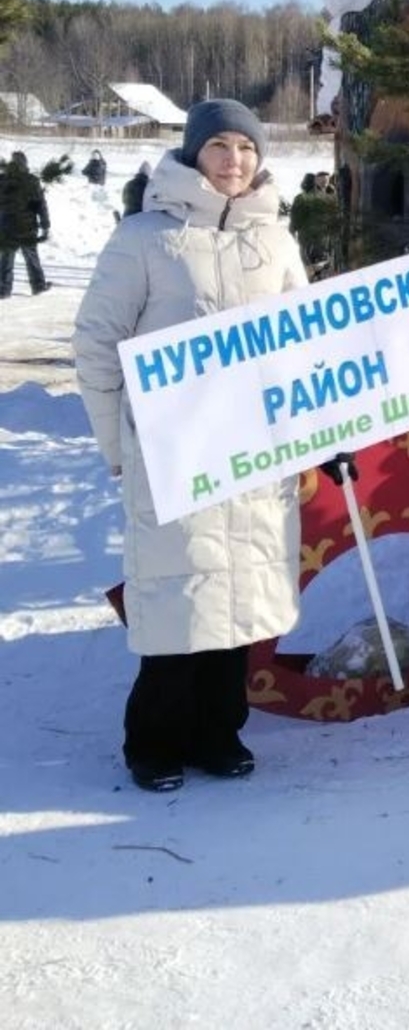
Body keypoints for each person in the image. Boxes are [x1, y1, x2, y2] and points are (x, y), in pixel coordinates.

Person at [72, 100, 309, 792]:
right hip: (173, 454)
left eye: (246, 147)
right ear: (192, 154)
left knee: (237, 597)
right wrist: (118, 443)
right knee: (178, 595)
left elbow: (305, 348)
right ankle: (153, 740)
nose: (234, 160)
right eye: (220, 147)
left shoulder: (278, 241)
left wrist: (317, 433)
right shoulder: (145, 238)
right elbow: (96, 345)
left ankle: (218, 731)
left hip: (256, 453)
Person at [0, 150, 51, 297]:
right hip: (27, 228)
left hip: (5, 228)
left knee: (5, 261)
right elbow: (41, 205)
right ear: (25, 164)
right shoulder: (32, 180)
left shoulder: (2, 180)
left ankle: (3, 290)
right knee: (32, 259)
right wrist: (45, 225)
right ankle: (38, 287)